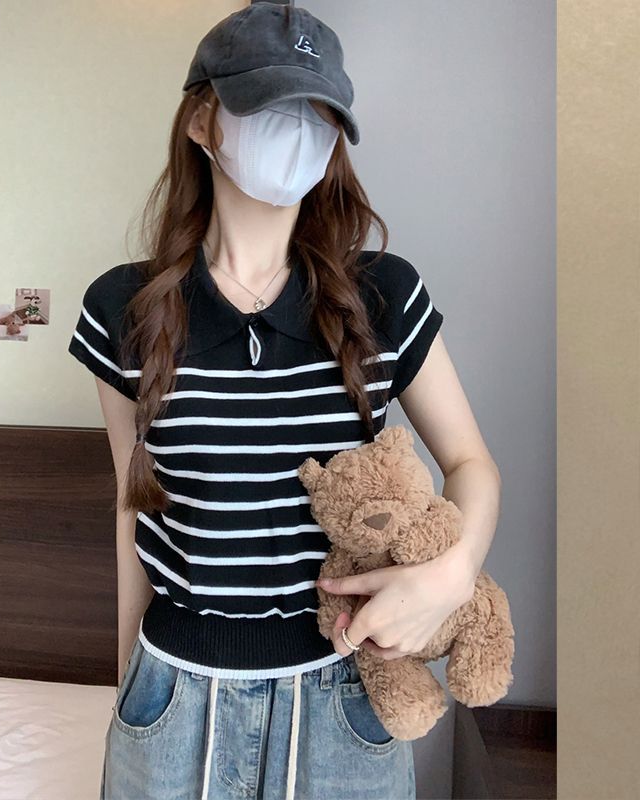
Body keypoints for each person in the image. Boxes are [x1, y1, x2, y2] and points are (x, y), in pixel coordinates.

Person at [68, 3, 501, 799]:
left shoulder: (385, 294)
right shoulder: (122, 307)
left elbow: (472, 463)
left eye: (318, 112)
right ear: (202, 119)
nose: (298, 129)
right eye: (269, 104)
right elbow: (135, 506)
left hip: (346, 696)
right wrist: (125, 681)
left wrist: (454, 572)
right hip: (173, 692)